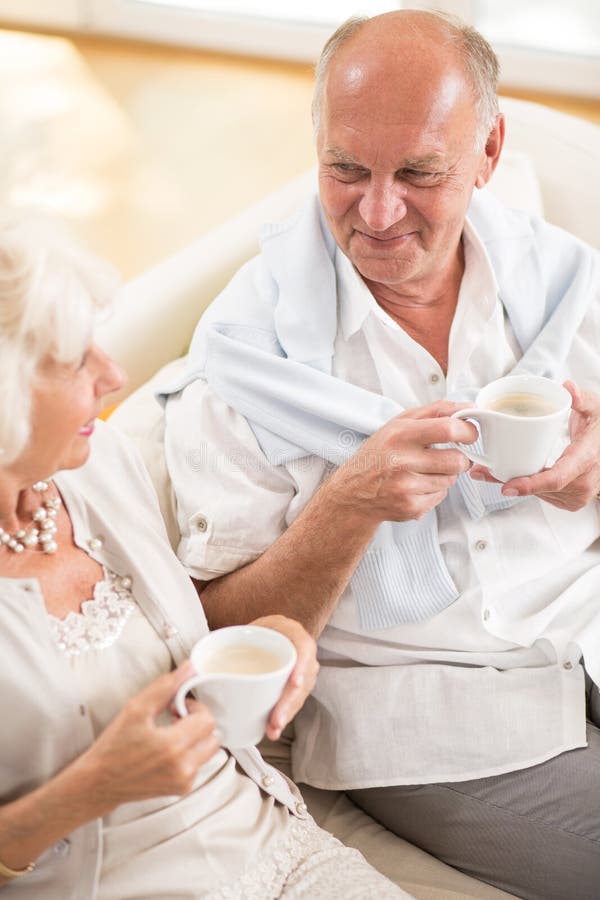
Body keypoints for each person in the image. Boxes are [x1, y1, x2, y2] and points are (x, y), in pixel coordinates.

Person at [161, 10, 600, 900]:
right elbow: (210, 634)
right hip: (445, 722)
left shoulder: (562, 283)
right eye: (347, 169)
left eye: (421, 173)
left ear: (489, 152)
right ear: (315, 142)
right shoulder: (241, 371)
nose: (379, 211)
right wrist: (347, 505)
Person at [0, 214, 411, 900]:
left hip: (272, 844)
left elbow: (180, 654)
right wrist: (96, 787)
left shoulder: (99, 462)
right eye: (76, 361)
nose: (114, 374)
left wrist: (271, 637)